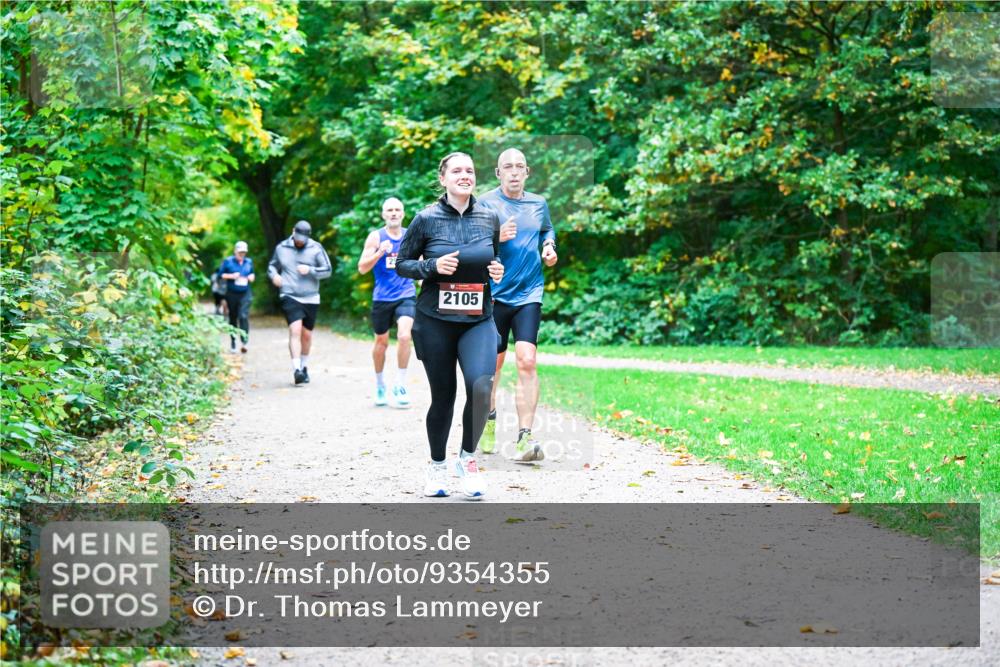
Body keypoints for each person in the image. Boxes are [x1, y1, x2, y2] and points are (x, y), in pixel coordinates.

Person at [396, 152, 504, 499]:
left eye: (470, 170)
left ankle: (468, 460)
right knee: (443, 396)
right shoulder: (426, 219)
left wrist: (497, 272)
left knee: (482, 387)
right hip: (435, 321)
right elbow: (402, 264)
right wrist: (431, 267)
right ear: (443, 178)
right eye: (457, 170)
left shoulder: (489, 216)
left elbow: (493, 259)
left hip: (478, 318)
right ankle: (437, 466)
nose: (464, 175)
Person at [478, 148, 557, 462]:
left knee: (527, 360)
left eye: (519, 167)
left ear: (527, 172)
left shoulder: (538, 203)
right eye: (507, 167)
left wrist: (549, 246)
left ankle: (525, 436)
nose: (513, 171)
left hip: (529, 293)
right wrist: (497, 235)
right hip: (495, 294)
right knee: (492, 366)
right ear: (498, 173)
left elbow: (547, 229)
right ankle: (489, 419)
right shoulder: (485, 202)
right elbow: (471, 242)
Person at [357, 197, 416, 407]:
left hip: (406, 294)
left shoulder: (411, 235)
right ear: (383, 215)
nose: (393, 213)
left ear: (403, 213)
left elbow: (422, 260)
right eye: (389, 210)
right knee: (381, 343)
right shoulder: (376, 237)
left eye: (397, 210)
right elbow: (362, 267)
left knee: (404, 336)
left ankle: (400, 384)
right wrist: (380, 252)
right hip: (382, 297)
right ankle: (381, 384)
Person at [267, 220, 333, 385]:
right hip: (289, 294)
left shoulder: (316, 248)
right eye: (297, 238)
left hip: (311, 296)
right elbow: (272, 266)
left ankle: (304, 367)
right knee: (295, 330)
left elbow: (328, 270)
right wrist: (274, 276)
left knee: (306, 334)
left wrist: (310, 270)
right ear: (293, 231)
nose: (299, 242)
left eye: (303, 239)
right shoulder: (282, 248)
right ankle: (296, 370)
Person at [217, 241, 255, 353]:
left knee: (243, 316)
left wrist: (251, 276)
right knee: (233, 317)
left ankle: (244, 342)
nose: (242, 254)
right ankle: (233, 342)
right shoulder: (228, 261)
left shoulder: (249, 262)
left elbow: (252, 273)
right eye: (240, 252)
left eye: (244, 252)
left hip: (245, 292)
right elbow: (220, 275)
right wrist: (231, 276)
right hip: (232, 293)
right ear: (235, 251)